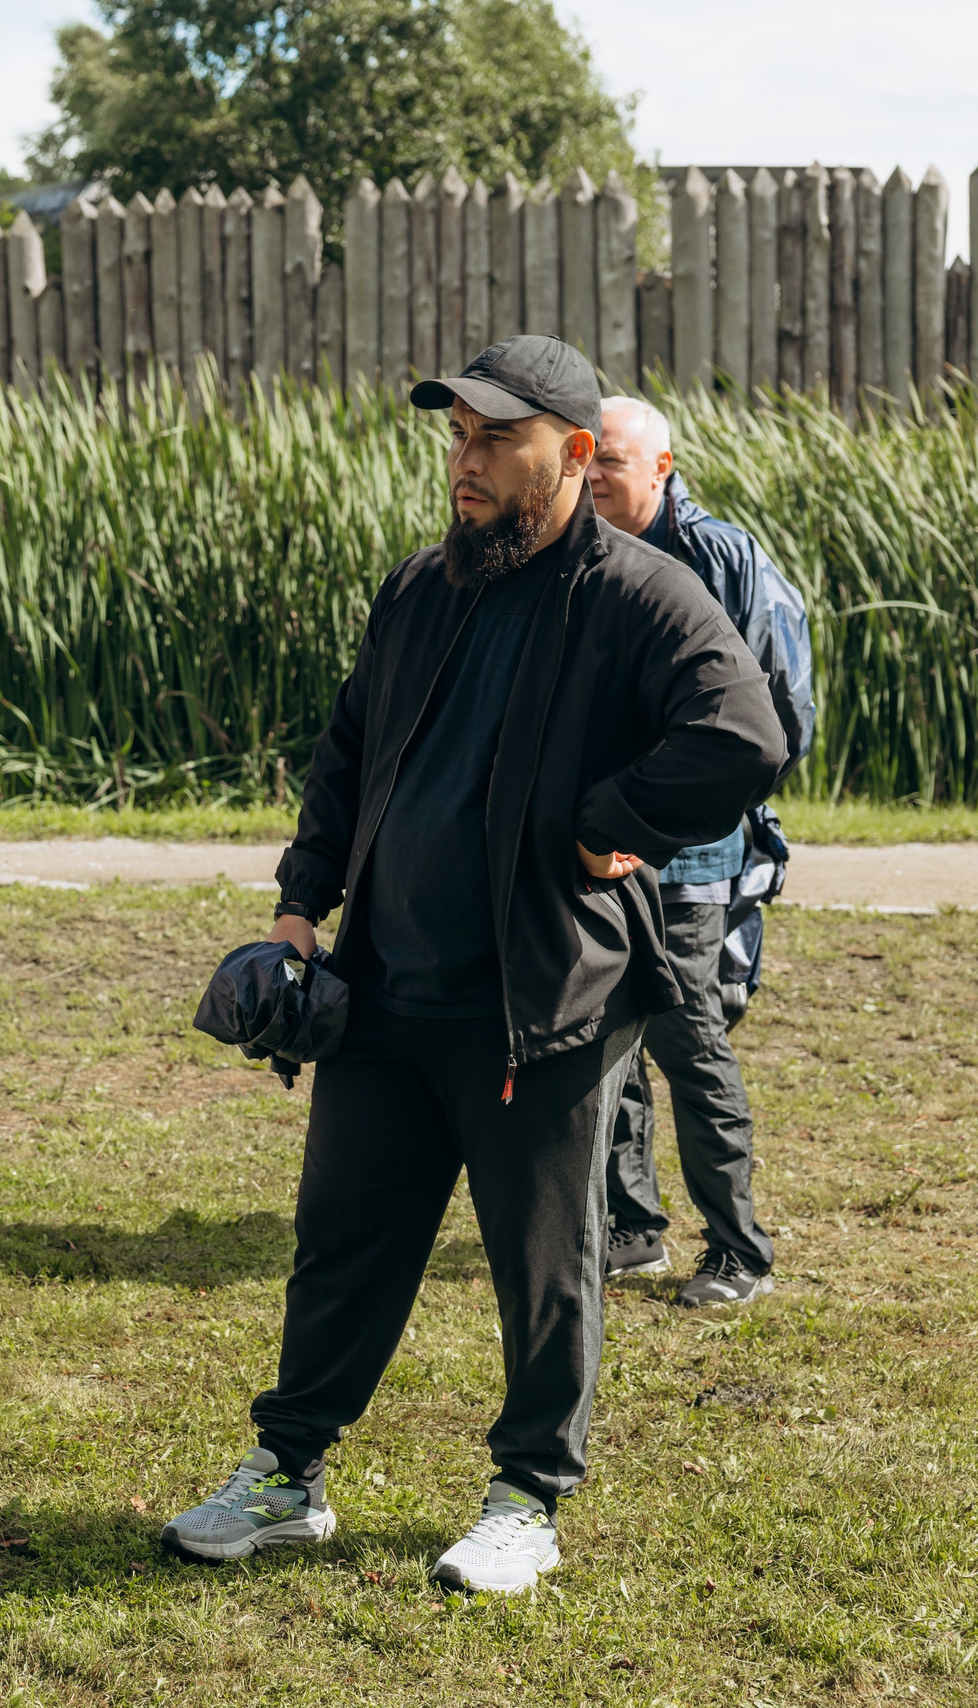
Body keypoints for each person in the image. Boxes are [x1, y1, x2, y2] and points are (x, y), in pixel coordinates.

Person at [158, 337, 785, 1595]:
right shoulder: (422, 588)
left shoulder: (635, 595)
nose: (467, 461)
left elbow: (742, 732)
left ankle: (527, 1499)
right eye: (457, 438)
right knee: (343, 1241)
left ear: (574, 454)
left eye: (496, 438)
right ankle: (286, 1475)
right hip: (386, 987)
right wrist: (298, 908)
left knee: (542, 1266)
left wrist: (613, 819)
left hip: (538, 1005)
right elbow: (347, 749)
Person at [588, 396, 815, 1307]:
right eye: (584, 458)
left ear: (663, 466)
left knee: (689, 1041)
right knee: (605, 1035)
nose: (594, 475)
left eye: (610, 460)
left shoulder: (722, 557)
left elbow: (779, 713)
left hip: (687, 851)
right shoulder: (576, 553)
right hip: (600, 845)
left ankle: (739, 1251)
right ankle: (633, 1228)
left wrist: (727, 814)